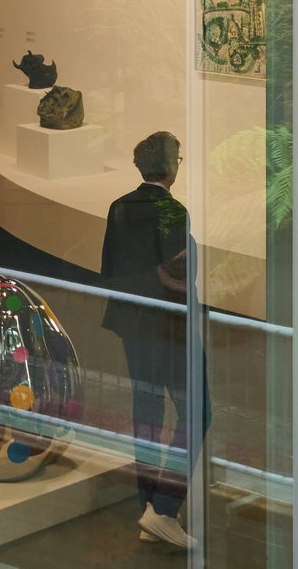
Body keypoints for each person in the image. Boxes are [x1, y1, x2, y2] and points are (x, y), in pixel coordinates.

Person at [100, 131, 196, 549]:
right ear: (169, 166)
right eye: (178, 156)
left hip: (131, 322)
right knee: (194, 412)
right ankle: (164, 508)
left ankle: (148, 508)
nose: (180, 161)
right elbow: (177, 276)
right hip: (166, 328)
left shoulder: (119, 207)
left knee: (147, 410)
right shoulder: (173, 212)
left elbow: (110, 269)